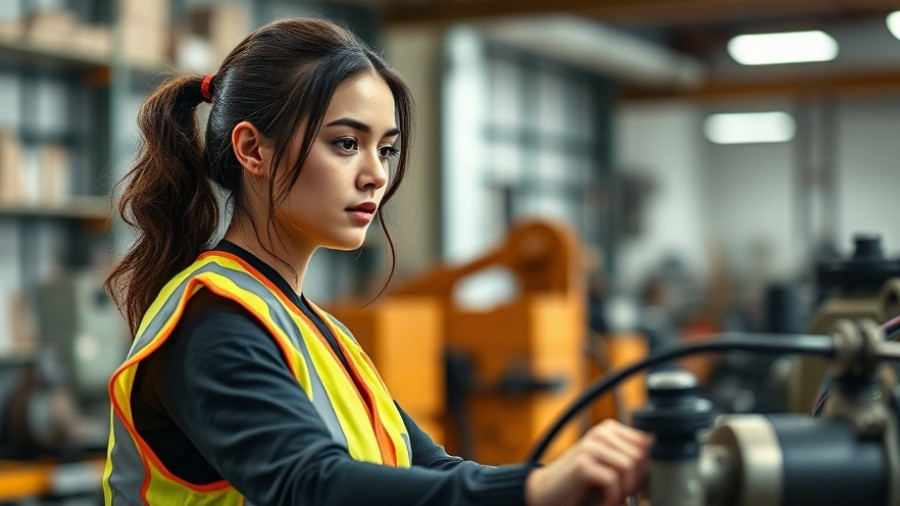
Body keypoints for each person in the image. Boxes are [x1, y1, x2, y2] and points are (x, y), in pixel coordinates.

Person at [102, 17, 650, 506]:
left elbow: (429, 469)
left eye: (385, 149)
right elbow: (309, 487)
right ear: (253, 150)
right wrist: (534, 491)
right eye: (346, 144)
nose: (376, 175)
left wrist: (564, 483)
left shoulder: (318, 332)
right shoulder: (212, 324)